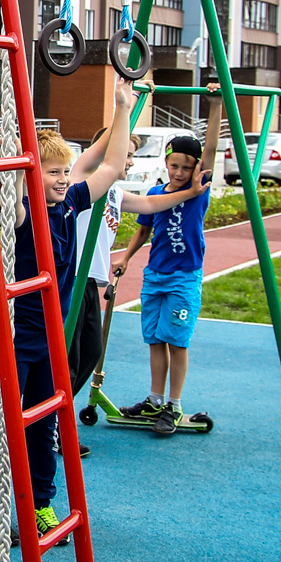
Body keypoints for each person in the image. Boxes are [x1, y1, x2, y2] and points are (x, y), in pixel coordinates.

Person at [0, 78, 145, 548]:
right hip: (13, 334)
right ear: (30, 176)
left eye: (65, 172)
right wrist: (10, 157)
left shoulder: (70, 206)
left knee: (45, 421)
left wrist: (123, 106)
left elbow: (108, 167)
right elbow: (0, 189)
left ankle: (41, 501)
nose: (63, 179)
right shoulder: (22, 211)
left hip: (51, 335)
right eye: (52, 172)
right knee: (1, 420)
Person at [69, 124, 213, 447]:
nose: (131, 162)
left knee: (90, 353)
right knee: (70, 358)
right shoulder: (81, 184)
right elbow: (100, 153)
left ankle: (54, 420)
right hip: (73, 282)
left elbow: (149, 207)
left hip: (92, 283)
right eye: (128, 155)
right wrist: (125, 105)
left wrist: (190, 193)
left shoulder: (117, 194)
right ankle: (50, 425)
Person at [113, 86, 224, 435]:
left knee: (177, 340)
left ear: (196, 169)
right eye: (174, 165)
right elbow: (143, 231)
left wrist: (216, 105)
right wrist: (126, 258)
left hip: (183, 278)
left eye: (186, 168)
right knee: (155, 340)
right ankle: (156, 399)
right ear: (166, 163)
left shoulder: (197, 193)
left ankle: (174, 405)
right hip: (155, 276)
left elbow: (211, 151)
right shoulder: (156, 194)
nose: (179, 173)